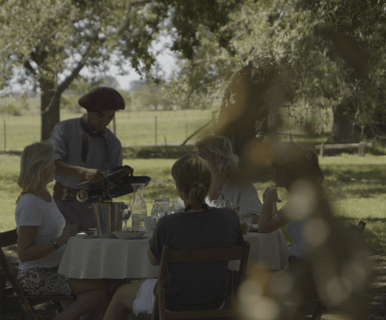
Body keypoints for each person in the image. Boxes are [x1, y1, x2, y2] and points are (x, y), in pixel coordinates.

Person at [102, 154, 244, 320]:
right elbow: (238, 249)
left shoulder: (168, 224)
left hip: (173, 302)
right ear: (208, 184)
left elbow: (154, 260)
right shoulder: (229, 218)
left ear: (179, 188)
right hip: (216, 300)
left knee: (119, 295)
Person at [15, 142, 104, 320]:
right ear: (44, 168)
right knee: (103, 289)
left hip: (57, 269)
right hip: (36, 276)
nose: (56, 167)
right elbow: (24, 254)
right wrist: (61, 241)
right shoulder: (30, 203)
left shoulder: (44, 194)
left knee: (107, 281)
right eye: (53, 163)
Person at [50, 87, 125, 230]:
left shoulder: (113, 142)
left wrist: (118, 181)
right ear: (88, 110)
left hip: (96, 211)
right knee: (65, 249)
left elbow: (115, 179)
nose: (104, 121)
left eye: (110, 117)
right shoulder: (63, 130)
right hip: (62, 207)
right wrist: (84, 172)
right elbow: (53, 165)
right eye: (99, 115)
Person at [258, 141, 325, 263]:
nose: (271, 171)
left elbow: (263, 228)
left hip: (303, 266)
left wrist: (268, 199)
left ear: (287, 170)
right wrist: (272, 201)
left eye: (275, 167)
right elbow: (274, 222)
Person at [195, 135, 263, 223]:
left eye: (202, 158)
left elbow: (257, 217)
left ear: (218, 158)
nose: (196, 163)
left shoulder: (241, 186)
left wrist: (230, 217)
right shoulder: (197, 185)